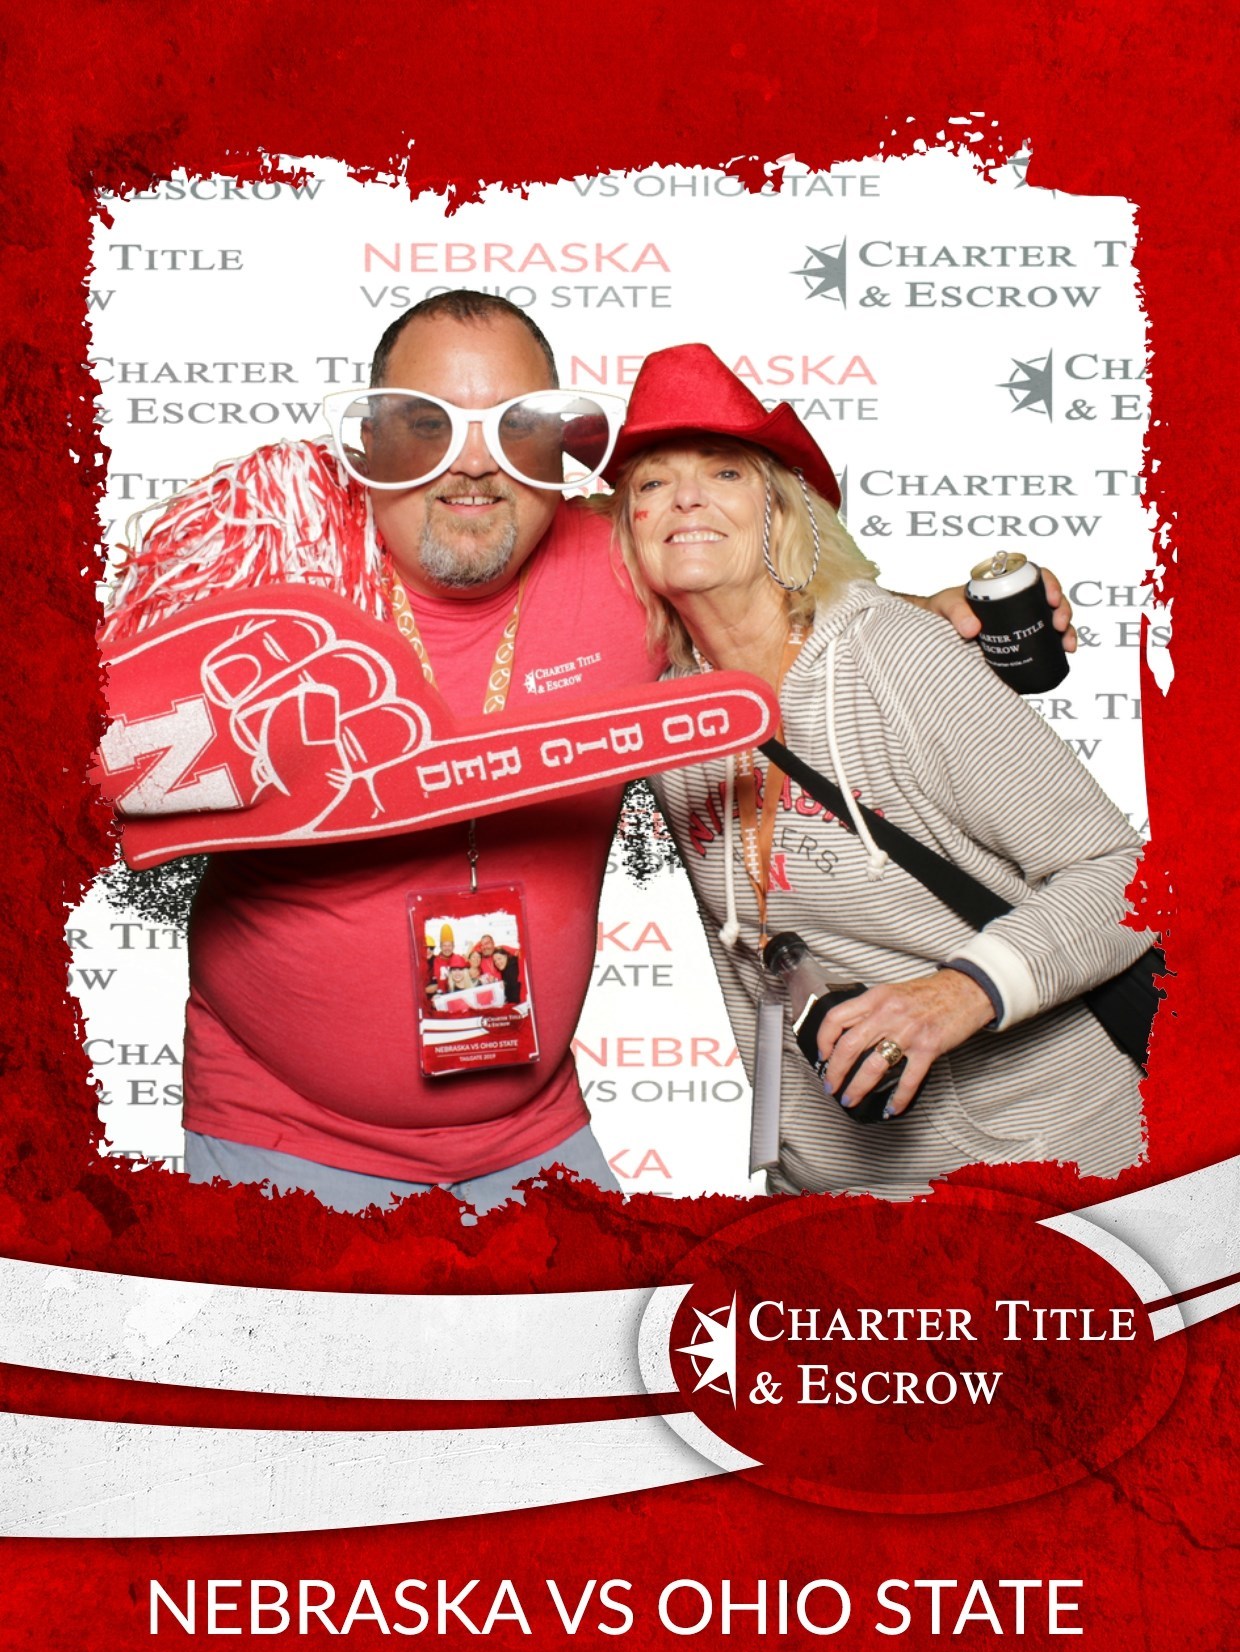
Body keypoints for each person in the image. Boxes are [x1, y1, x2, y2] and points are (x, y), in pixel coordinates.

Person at [103, 293, 1071, 1213]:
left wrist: (921, 611)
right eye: (424, 425)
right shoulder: (273, 579)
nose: (472, 464)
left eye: (516, 429)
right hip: (282, 1138)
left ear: (560, 448)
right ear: (369, 441)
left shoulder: (622, 567)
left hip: (534, 1139)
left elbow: (758, 597)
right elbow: (102, 743)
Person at [603, 343, 1149, 1198]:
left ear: (783, 513)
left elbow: (1126, 876)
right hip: (829, 1191)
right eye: (651, 482)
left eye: (725, 472)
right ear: (627, 529)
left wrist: (960, 992)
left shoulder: (894, 656)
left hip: (1041, 1165)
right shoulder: (662, 712)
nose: (686, 497)